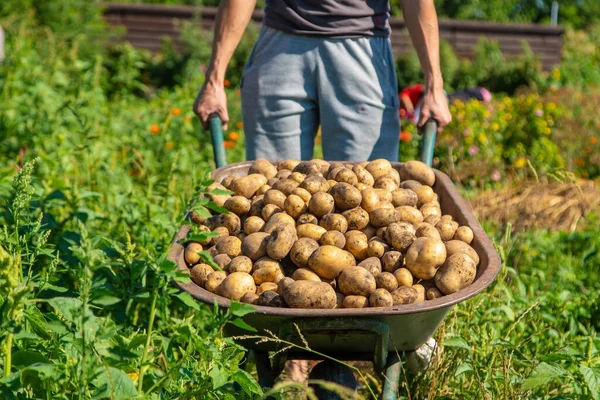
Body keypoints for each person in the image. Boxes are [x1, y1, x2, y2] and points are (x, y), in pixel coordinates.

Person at [193, 0, 451, 162]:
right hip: (281, 47)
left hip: (361, 52)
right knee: (271, 192)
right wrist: (214, 79)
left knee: (368, 194)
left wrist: (434, 86)